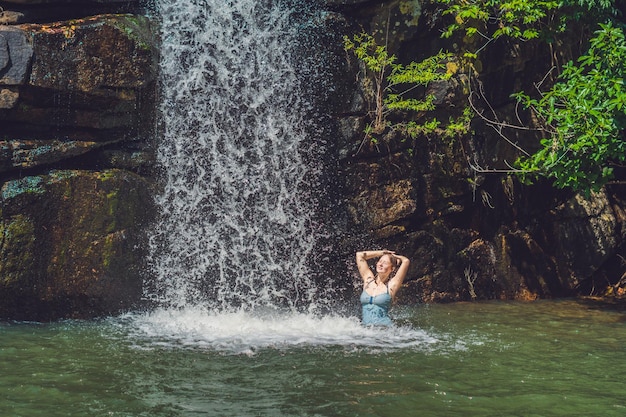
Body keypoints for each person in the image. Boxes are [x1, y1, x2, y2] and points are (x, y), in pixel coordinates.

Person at [356, 249, 410, 326]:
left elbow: (406, 261)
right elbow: (359, 255)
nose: (381, 264)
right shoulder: (368, 280)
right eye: (380, 261)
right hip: (366, 331)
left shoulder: (391, 285)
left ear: (392, 268)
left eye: (385, 263)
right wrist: (382, 252)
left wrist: (395, 256)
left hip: (384, 330)